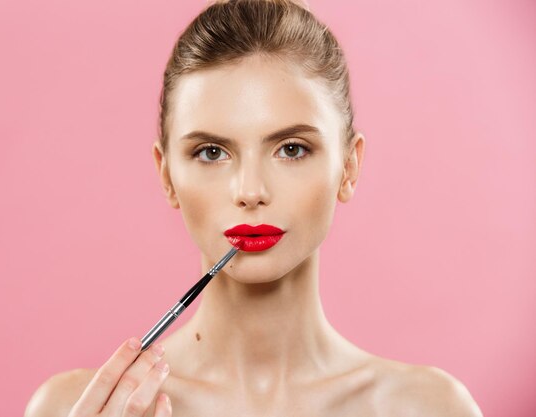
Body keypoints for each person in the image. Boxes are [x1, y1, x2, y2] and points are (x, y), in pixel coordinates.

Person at [25, 1, 483, 416]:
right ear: (167, 176)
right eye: (211, 152)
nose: (250, 190)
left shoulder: (428, 408)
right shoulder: (74, 409)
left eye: (291, 149)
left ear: (348, 167)